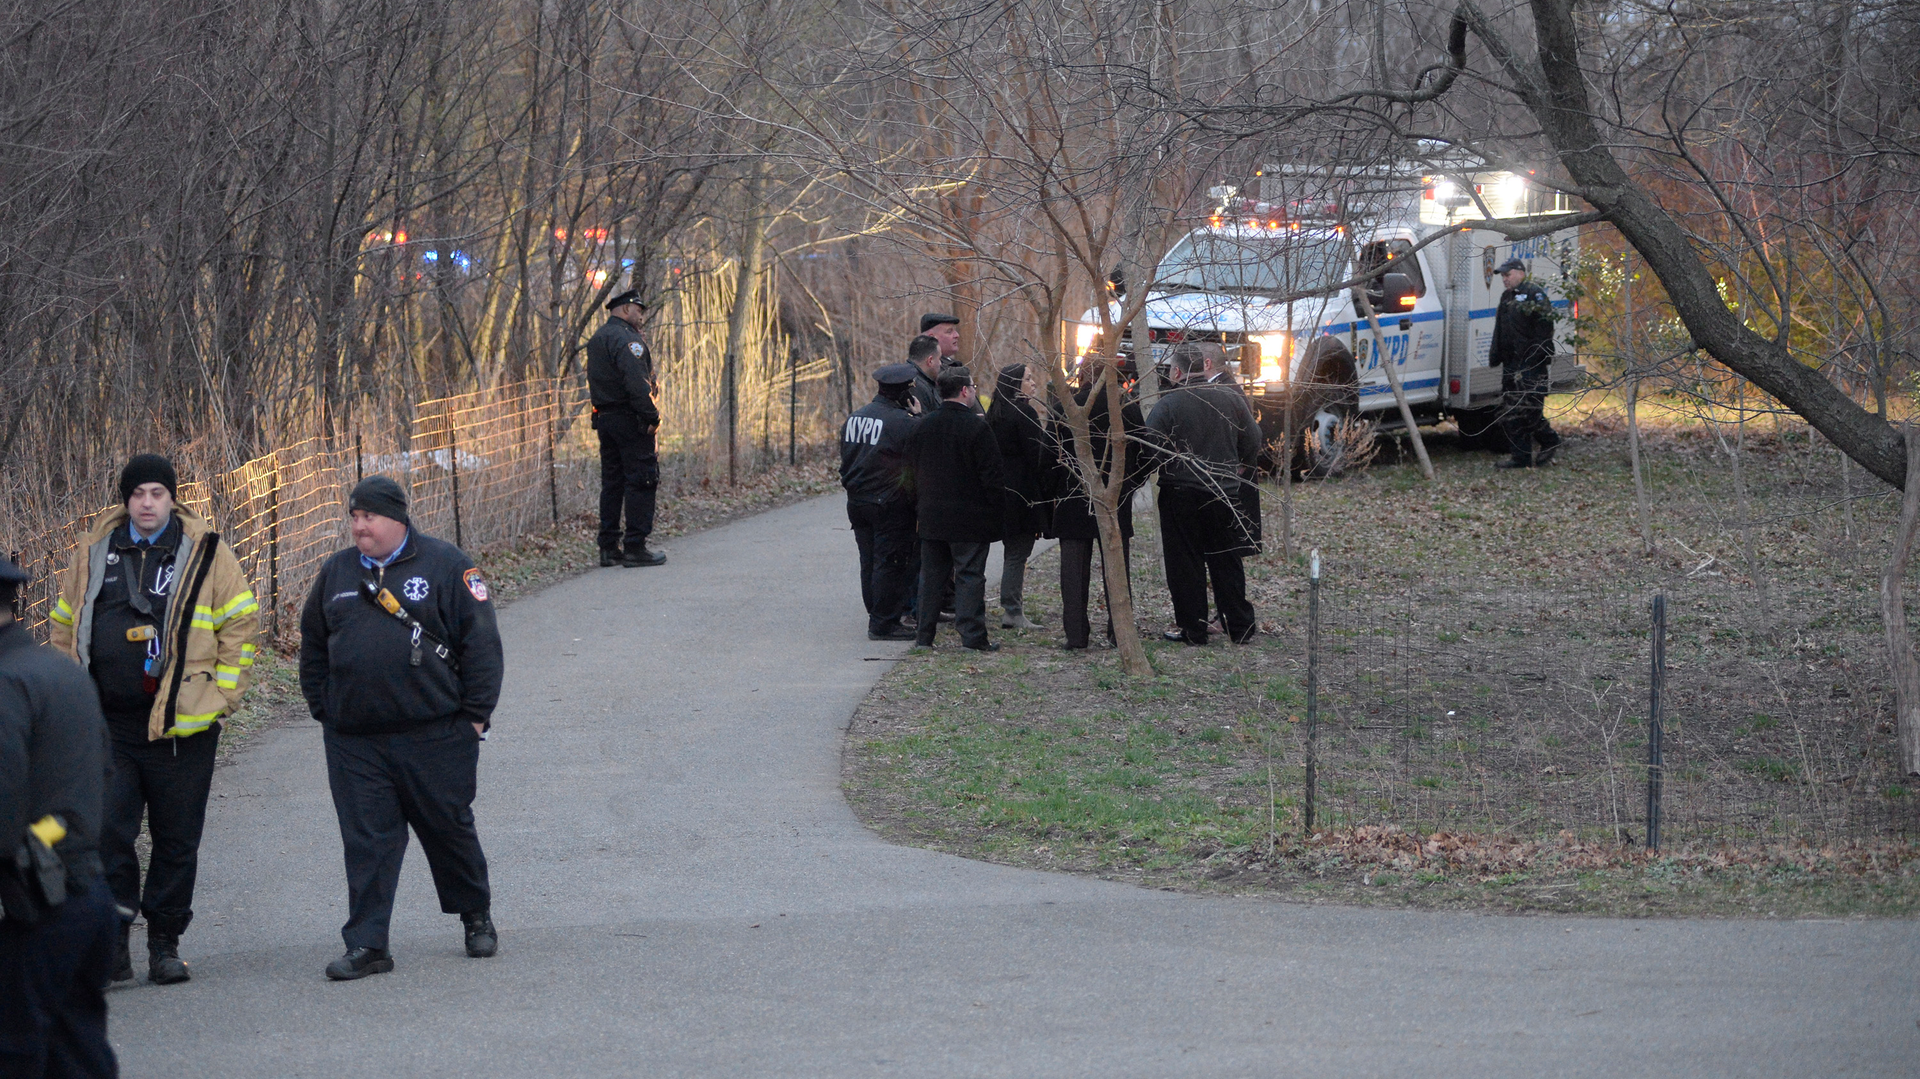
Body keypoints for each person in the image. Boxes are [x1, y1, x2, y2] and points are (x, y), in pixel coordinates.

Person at [48, 453, 260, 986]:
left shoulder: (207, 553)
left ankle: (164, 943)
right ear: (125, 499)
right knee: (108, 838)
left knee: (175, 840)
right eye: (138, 494)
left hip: (180, 730)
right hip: (108, 729)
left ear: (172, 498)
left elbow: (241, 624)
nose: (147, 503)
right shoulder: (94, 552)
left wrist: (222, 697)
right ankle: (114, 944)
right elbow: (63, 626)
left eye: (157, 494)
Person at [299, 476, 505, 981]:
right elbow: (313, 646)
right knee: (367, 840)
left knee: (447, 827)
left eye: (368, 516)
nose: (359, 526)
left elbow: (482, 646)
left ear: (397, 518)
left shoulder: (447, 566)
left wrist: (474, 720)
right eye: (353, 516)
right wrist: (325, 708)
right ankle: (368, 944)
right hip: (356, 741)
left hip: (434, 734)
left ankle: (474, 913)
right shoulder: (336, 573)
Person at [1, 554, 120, 1077]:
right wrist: (47, 835)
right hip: (85, 893)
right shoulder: (60, 672)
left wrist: (27, 844)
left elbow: (3, 814)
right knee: (77, 1050)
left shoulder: (7, 685)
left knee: (17, 1050)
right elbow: (97, 782)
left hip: (27, 907)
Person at [1148, 344, 1261, 646]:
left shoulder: (1170, 403)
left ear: (1177, 371)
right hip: (1224, 492)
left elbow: (1149, 445)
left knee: (1185, 563)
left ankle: (1194, 629)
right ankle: (1240, 625)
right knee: (1227, 559)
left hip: (1180, 493)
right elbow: (1253, 438)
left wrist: (1162, 467)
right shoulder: (1230, 398)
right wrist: (1242, 465)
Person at [1049, 355, 1154, 650]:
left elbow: (1048, 459)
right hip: (1115, 501)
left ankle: (1076, 635)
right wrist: (1129, 486)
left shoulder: (1062, 411)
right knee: (1117, 571)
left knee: (1073, 574)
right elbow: (1147, 454)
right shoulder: (1125, 410)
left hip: (1072, 501)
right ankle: (1117, 632)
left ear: (1081, 377)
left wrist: (1058, 490)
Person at [908, 368, 1005, 651]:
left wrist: (919, 504)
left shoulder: (923, 425)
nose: (974, 391)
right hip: (970, 519)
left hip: (931, 516)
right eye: (973, 386)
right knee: (969, 575)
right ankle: (972, 637)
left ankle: (924, 636)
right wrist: (996, 513)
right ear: (965, 391)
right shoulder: (977, 427)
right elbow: (992, 477)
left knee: (931, 577)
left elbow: (909, 471)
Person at [840, 364, 923, 641]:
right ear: (904, 393)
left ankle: (876, 614)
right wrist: (919, 417)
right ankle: (884, 623)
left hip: (857, 501)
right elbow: (918, 454)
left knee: (869, 561)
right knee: (890, 562)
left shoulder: (855, 418)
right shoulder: (902, 422)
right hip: (888, 503)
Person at [587, 288, 667, 566]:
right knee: (642, 478)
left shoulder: (598, 339)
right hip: (630, 419)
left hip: (604, 418)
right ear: (624, 309)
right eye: (638, 310)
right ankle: (635, 546)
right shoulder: (627, 340)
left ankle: (608, 547)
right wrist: (652, 417)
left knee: (612, 482)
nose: (641, 315)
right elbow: (636, 383)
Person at [985, 364, 1053, 630]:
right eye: (1028, 378)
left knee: (1011, 551)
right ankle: (1012, 610)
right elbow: (1037, 454)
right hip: (1022, 493)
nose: (1033, 383)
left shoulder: (996, 412)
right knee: (1017, 553)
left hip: (999, 490)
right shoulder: (1024, 413)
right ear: (1015, 384)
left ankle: (1010, 606)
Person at [1488, 257, 1564, 469]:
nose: (1504, 279)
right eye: (1502, 276)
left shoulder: (1534, 294)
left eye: (1507, 274)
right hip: (1510, 364)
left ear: (1520, 272)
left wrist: (1534, 359)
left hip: (1531, 365)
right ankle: (1520, 458)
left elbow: (1544, 329)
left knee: (1530, 410)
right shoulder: (1506, 297)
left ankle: (1549, 440)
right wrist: (1495, 355)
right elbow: (1500, 330)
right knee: (1510, 412)